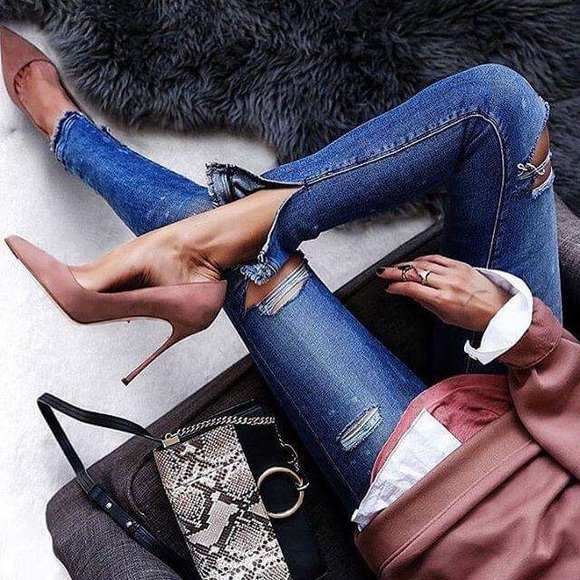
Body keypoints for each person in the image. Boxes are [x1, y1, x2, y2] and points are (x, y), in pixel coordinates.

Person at [3, 26, 579, 579]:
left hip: (446, 505)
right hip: (536, 397)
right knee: (502, 109)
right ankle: (205, 240)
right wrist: (520, 329)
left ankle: (76, 138)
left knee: (248, 261)